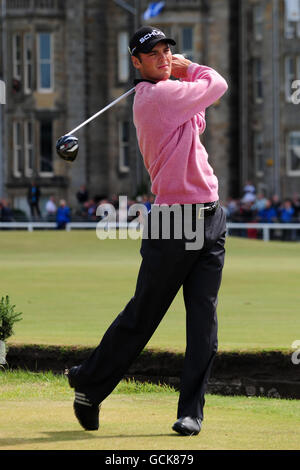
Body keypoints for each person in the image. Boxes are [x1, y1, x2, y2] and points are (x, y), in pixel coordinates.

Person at [65, 25, 228, 436]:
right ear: (135, 63)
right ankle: (89, 381)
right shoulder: (157, 97)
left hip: (211, 216)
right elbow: (218, 83)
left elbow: (199, 116)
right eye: (152, 53)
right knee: (144, 315)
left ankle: (191, 412)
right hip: (175, 220)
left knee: (203, 320)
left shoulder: (170, 95)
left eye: (167, 50)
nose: (163, 57)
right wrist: (190, 67)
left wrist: (182, 73)